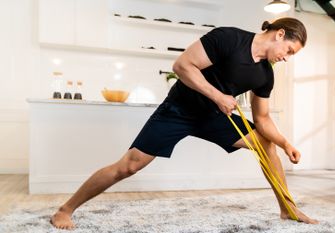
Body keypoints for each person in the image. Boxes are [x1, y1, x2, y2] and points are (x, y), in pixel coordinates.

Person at [51, 17, 318, 230]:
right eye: (289, 51)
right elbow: (182, 66)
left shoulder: (264, 75)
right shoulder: (228, 38)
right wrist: (217, 95)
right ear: (280, 33)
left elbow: (262, 119)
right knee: (128, 166)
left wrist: (285, 143)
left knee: (265, 144)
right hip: (179, 110)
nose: (286, 57)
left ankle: (287, 207)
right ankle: (65, 209)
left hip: (215, 117)